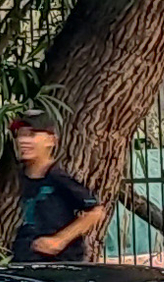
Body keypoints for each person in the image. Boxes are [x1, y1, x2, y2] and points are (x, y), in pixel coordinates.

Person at [6, 110, 110, 265]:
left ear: (51, 140)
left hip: (59, 267)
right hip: (26, 262)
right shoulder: (19, 177)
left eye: (31, 135)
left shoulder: (57, 177)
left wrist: (59, 240)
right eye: (20, 135)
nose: (23, 141)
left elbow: (96, 211)